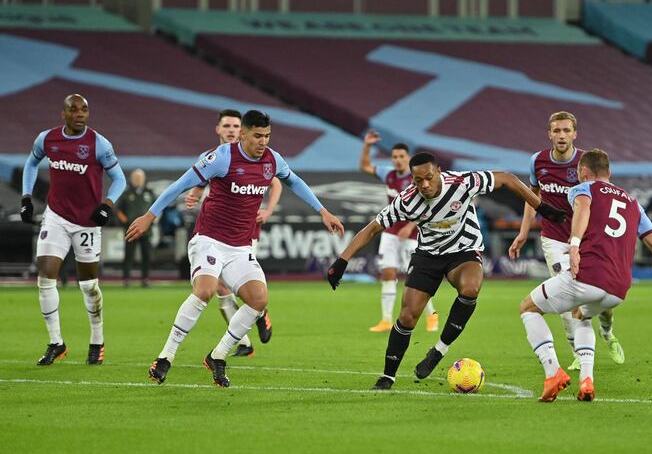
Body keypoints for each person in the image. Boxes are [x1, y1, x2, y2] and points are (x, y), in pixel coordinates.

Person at [126, 110, 343, 388]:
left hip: (240, 247)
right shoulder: (222, 157)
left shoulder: (272, 160)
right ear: (243, 134)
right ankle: (166, 357)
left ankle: (218, 356)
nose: (263, 141)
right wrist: (149, 216)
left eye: (267, 136)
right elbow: (180, 185)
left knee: (258, 300)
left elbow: (294, 181)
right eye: (257, 136)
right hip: (209, 240)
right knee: (204, 291)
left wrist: (322, 211)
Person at [327, 152, 567, 390]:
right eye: (418, 180)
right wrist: (342, 261)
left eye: (429, 178)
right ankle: (387, 376)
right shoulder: (406, 200)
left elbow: (506, 178)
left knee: (471, 288)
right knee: (408, 316)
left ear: (438, 171)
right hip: (428, 256)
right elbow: (371, 229)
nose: (425, 184)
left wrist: (543, 209)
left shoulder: (462, 183)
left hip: (464, 251)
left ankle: (439, 350)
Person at [518, 149, 652, 402]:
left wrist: (575, 243)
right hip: (619, 289)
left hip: (588, 276)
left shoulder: (583, 189)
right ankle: (587, 381)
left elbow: (582, 207)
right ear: (609, 173)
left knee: (528, 308)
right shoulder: (633, 203)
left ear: (583, 173)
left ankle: (552, 372)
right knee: (581, 316)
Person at [508, 111, 624, 371]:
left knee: (600, 301)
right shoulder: (537, 161)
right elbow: (532, 197)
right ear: (549, 134)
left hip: (586, 240)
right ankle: (577, 353)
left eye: (566, 130)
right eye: (556, 131)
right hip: (554, 240)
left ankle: (607, 331)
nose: (561, 135)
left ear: (574, 133)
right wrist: (523, 232)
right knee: (565, 298)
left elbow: (604, 199)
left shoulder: (586, 163)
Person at [20, 94, 126, 366]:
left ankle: (97, 339)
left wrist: (107, 205)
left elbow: (119, 178)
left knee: (89, 286)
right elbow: (31, 163)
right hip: (56, 216)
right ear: (63, 113)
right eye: (74, 109)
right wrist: (25, 198)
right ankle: (56, 342)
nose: (80, 113)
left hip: (87, 222)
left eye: (84, 109)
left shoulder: (98, 144)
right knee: (45, 275)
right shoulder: (47, 139)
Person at [183, 109, 282, 356]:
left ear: (242, 131)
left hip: (244, 234)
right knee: (220, 289)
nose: (230, 130)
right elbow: (198, 182)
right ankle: (245, 343)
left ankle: (259, 312)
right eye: (226, 125)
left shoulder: (257, 157)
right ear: (218, 129)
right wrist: (195, 194)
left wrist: (269, 210)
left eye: (235, 126)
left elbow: (277, 181)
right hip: (216, 232)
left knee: (232, 288)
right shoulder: (211, 157)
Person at [359, 130, 437, 332]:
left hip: (412, 234)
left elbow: (427, 205)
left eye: (402, 156)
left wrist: (411, 225)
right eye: (394, 157)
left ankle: (432, 315)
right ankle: (385, 319)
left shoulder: (418, 178)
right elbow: (365, 166)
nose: (398, 160)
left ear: (408, 158)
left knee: (417, 277)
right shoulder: (388, 174)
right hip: (391, 231)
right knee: (388, 272)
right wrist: (367, 145)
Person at [117, 169, 155, 287]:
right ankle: (126, 279)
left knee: (146, 255)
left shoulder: (149, 193)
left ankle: (145, 279)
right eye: (136, 178)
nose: (138, 180)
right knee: (129, 255)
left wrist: (152, 221)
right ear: (132, 179)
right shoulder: (126, 194)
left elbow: (157, 209)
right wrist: (127, 222)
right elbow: (118, 211)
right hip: (131, 230)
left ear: (143, 179)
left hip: (147, 231)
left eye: (140, 178)